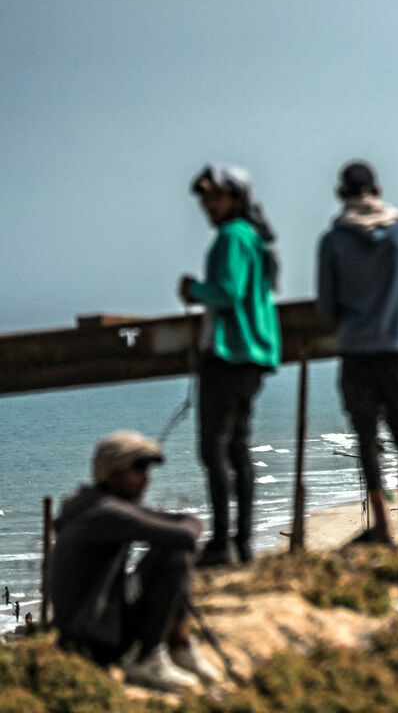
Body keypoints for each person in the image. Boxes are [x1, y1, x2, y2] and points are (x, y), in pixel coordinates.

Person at [51, 431, 220, 692]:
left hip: (91, 629)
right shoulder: (106, 513)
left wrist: (176, 523)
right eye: (139, 469)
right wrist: (183, 524)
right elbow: (186, 533)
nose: (147, 479)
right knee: (174, 554)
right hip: (94, 642)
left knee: (172, 547)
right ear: (115, 472)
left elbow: (175, 523)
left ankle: (178, 646)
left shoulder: (95, 505)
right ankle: (149, 657)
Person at [318, 161, 398, 543]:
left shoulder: (333, 241)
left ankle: (382, 526)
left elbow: (328, 305)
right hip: (397, 347)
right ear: (378, 190)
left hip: (356, 350)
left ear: (340, 195)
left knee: (366, 439)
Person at [180, 165, 281, 567]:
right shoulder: (255, 238)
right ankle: (241, 542)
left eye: (216, 197)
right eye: (205, 199)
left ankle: (222, 543)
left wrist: (193, 290)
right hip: (254, 353)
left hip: (229, 352)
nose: (208, 206)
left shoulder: (231, 237)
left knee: (213, 448)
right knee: (237, 446)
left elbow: (226, 292)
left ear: (236, 199)